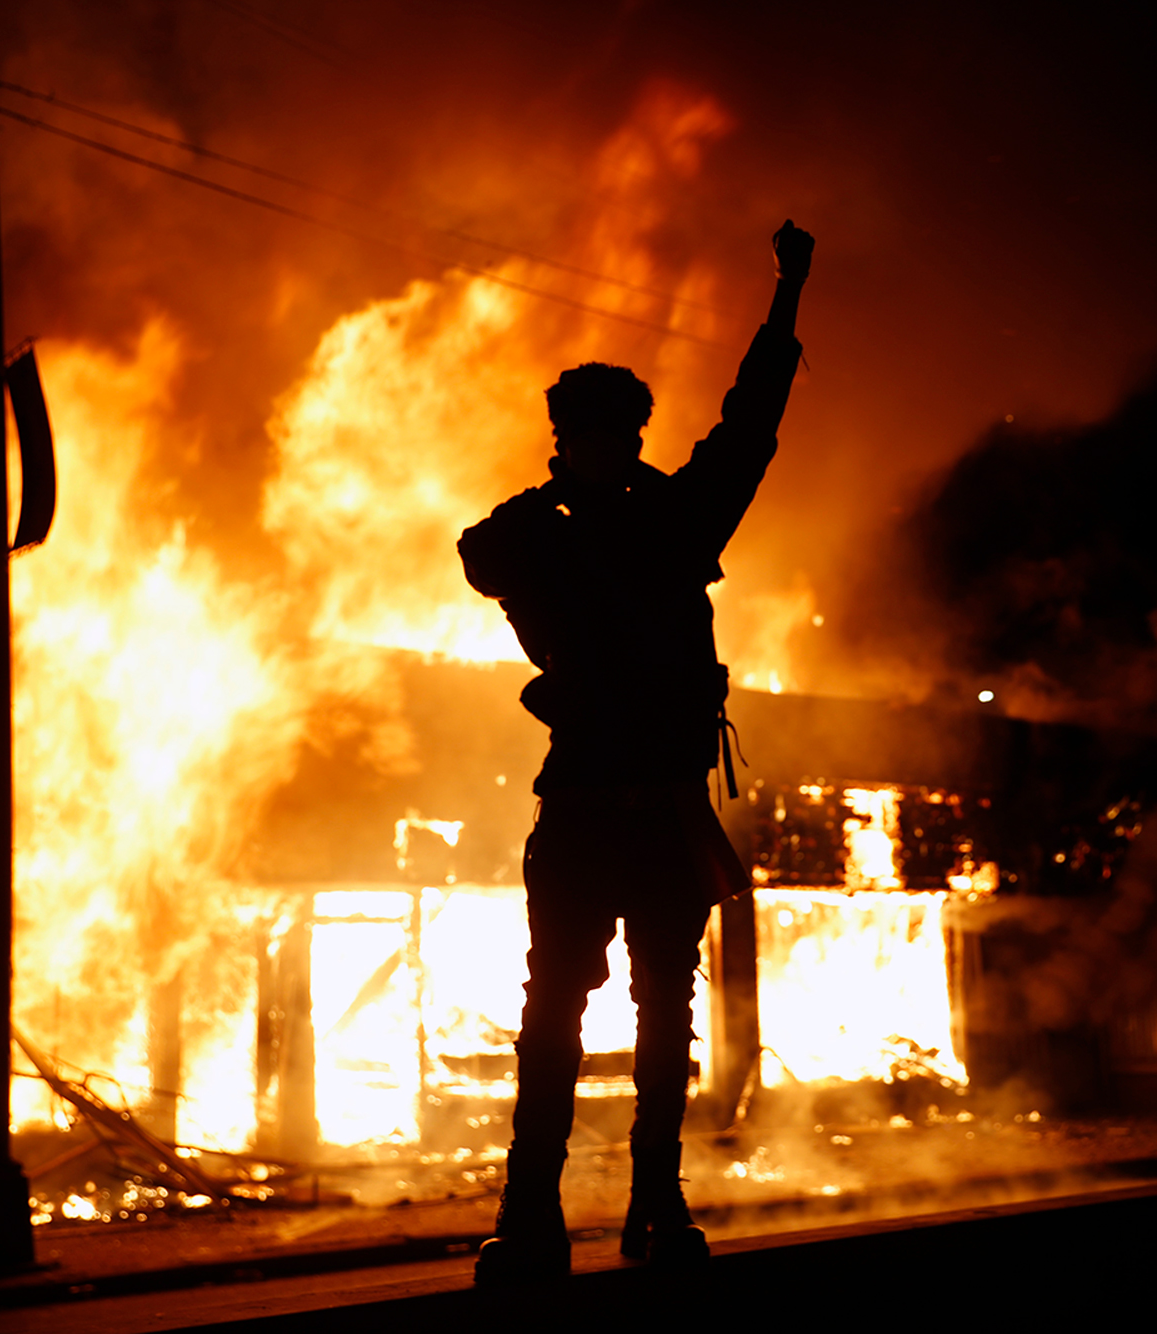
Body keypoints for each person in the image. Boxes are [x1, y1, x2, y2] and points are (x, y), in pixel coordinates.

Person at [458, 220, 814, 1283]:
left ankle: (653, 1202)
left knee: (663, 1012)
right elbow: (479, 559)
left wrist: (785, 301)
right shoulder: (547, 528)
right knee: (553, 1015)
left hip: (657, 801)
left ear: (627, 437)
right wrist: (556, 501)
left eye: (612, 434)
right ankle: (531, 1212)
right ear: (564, 441)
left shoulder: (674, 521)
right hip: (581, 803)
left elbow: (749, 423)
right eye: (583, 436)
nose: (599, 450)